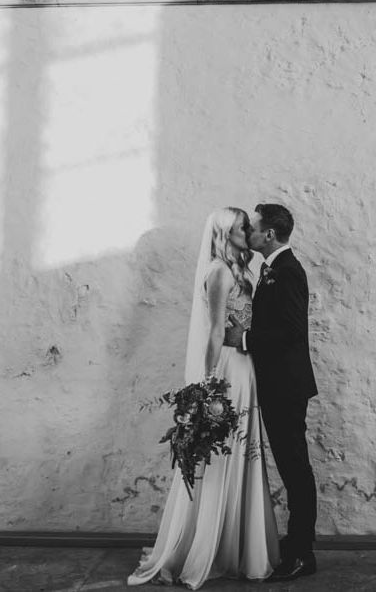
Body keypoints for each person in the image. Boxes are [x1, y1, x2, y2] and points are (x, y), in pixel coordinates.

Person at [128, 207, 279, 589]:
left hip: (247, 369)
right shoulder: (218, 272)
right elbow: (214, 333)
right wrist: (209, 383)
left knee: (244, 452)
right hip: (228, 369)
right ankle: (204, 545)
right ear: (227, 233)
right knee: (220, 452)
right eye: (243, 226)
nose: (249, 230)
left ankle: (240, 547)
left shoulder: (241, 270)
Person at [224, 203, 318, 582]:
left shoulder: (288, 271)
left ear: (270, 236)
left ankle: (302, 553)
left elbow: (292, 332)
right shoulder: (271, 270)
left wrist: (243, 338)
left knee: (295, 469)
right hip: (277, 384)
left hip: (287, 387)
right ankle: (296, 544)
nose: (249, 234)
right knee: (291, 466)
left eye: (254, 229)